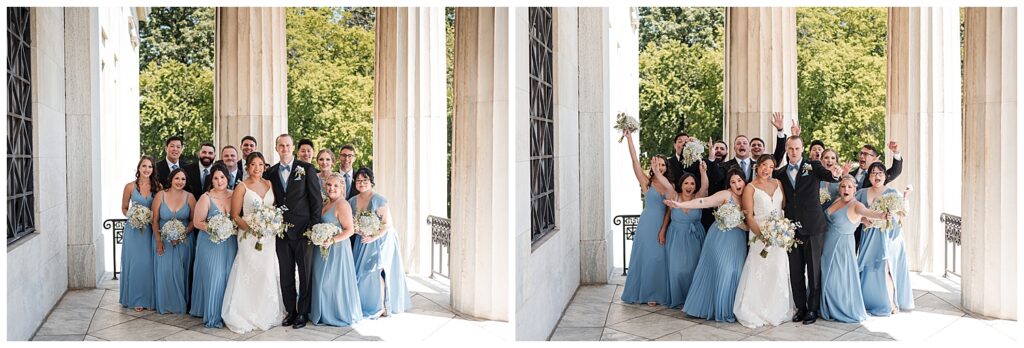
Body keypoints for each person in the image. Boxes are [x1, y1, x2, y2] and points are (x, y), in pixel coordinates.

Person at [772, 134, 849, 325]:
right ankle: (801, 307)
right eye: (790, 148)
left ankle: (812, 310)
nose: (794, 152)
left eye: (797, 148)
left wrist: (836, 174)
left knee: (814, 271)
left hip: (814, 227)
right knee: (796, 271)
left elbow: (828, 176)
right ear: (787, 150)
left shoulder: (813, 166)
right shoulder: (781, 173)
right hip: (791, 228)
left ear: (802, 149)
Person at [669, 169, 749, 322]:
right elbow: (703, 201)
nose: (736, 184)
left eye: (739, 180)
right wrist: (680, 204)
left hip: (737, 240)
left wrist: (741, 224)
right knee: (722, 271)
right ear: (729, 185)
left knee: (734, 272)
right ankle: (718, 310)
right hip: (719, 237)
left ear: (744, 181)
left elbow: (748, 224)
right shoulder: (726, 195)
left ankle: (730, 309)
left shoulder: (748, 196)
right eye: (732, 182)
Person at [222, 152, 286, 333]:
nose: (257, 168)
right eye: (253, 165)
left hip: (268, 237)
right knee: (249, 271)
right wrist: (252, 229)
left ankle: (266, 310)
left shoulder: (269, 184)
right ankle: (245, 311)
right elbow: (235, 215)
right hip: (248, 237)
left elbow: (273, 209)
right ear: (247, 167)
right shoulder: (242, 187)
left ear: (265, 166)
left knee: (266, 271)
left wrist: (269, 226)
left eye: (260, 164)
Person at [265, 134, 323, 329]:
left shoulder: (306, 169)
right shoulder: (270, 172)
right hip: (281, 231)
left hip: (304, 231)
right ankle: (291, 310)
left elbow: (316, 200)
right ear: (276, 148)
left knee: (305, 274)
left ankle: (303, 312)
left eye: (288, 145)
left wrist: (312, 227)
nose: (285, 148)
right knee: (286, 273)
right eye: (281, 145)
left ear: (293, 148)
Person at [732, 154, 795, 328]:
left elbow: (782, 208)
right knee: (760, 269)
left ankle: (777, 308)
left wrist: (781, 230)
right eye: (764, 165)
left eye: (771, 166)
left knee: (777, 268)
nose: (767, 169)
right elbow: (749, 217)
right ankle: (756, 308)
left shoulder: (778, 183)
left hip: (779, 235)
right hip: (759, 234)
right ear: (757, 166)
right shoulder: (750, 188)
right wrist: (763, 236)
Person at [820, 175, 888, 323]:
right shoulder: (837, 200)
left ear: (855, 189)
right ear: (839, 188)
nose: (846, 189)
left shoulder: (856, 205)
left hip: (842, 248)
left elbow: (867, 213)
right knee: (825, 275)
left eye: (850, 187)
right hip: (827, 246)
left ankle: (840, 308)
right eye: (843, 186)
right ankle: (825, 306)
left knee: (837, 280)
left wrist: (882, 215)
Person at [618, 129, 672, 307]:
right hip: (646, 224)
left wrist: (663, 230)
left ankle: (656, 293)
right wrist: (629, 138)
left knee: (658, 259)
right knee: (645, 257)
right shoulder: (646, 182)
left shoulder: (669, 185)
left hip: (661, 224)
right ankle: (643, 293)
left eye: (663, 165)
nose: (661, 167)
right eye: (658, 164)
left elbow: (668, 211)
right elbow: (634, 160)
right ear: (652, 165)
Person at [350, 167, 412, 318]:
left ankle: (383, 305)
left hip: (381, 239)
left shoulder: (379, 199)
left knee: (377, 271)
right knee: (362, 273)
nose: (361, 183)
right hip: (363, 239)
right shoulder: (352, 201)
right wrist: (360, 231)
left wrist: (373, 237)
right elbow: (352, 223)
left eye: (365, 180)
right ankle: (367, 303)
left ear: (371, 182)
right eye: (358, 180)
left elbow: (387, 223)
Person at [856, 162, 915, 316]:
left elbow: (902, 212)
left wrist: (906, 197)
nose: (877, 176)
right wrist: (863, 220)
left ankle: (890, 302)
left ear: (885, 176)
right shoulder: (861, 193)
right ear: (869, 176)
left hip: (888, 234)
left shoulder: (892, 192)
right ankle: (869, 300)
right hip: (869, 235)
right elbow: (854, 212)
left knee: (887, 268)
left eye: (880, 173)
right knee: (870, 269)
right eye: (873, 173)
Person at [310, 174, 363, 327]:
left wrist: (331, 240)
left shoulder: (342, 204)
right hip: (321, 249)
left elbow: (350, 230)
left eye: (335, 186)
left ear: (342, 188)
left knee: (331, 282)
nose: (331, 188)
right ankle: (320, 311)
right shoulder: (325, 202)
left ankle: (333, 312)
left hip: (336, 250)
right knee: (320, 279)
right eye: (328, 185)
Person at [188, 164, 238, 328]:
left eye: (222, 177)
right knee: (214, 277)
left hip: (230, 243)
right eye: (215, 178)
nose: (219, 181)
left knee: (228, 276)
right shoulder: (206, 197)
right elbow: (197, 222)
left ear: (227, 178)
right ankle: (212, 314)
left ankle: (228, 314)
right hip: (210, 244)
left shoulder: (235, 195)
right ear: (211, 180)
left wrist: (231, 228)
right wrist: (217, 228)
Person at [662, 164, 708, 309]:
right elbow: (668, 214)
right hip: (676, 236)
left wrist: (703, 171)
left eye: (692, 183)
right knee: (676, 269)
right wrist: (662, 231)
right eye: (686, 183)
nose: (689, 186)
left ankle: (692, 300)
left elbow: (705, 185)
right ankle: (677, 298)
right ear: (681, 185)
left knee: (693, 269)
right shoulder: (674, 196)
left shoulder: (698, 197)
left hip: (695, 237)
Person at [119, 156, 161, 312]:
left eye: (150, 167)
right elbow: (124, 208)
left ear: (153, 169)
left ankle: (149, 299)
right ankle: (136, 298)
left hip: (150, 230)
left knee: (148, 264)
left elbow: (159, 209)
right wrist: (134, 215)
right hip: (133, 230)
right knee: (135, 264)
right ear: (138, 168)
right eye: (144, 166)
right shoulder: (129, 187)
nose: (147, 169)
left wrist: (148, 217)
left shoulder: (158, 187)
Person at [151, 168, 196, 314]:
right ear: (171, 179)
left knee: (179, 272)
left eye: (183, 179)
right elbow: (155, 221)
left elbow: (193, 221)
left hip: (184, 241)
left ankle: (179, 305)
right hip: (163, 240)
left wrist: (182, 235)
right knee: (164, 272)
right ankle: (166, 304)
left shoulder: (190, 197)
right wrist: (158, 241)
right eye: (177, 178)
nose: (180, 182)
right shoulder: (160, 195)